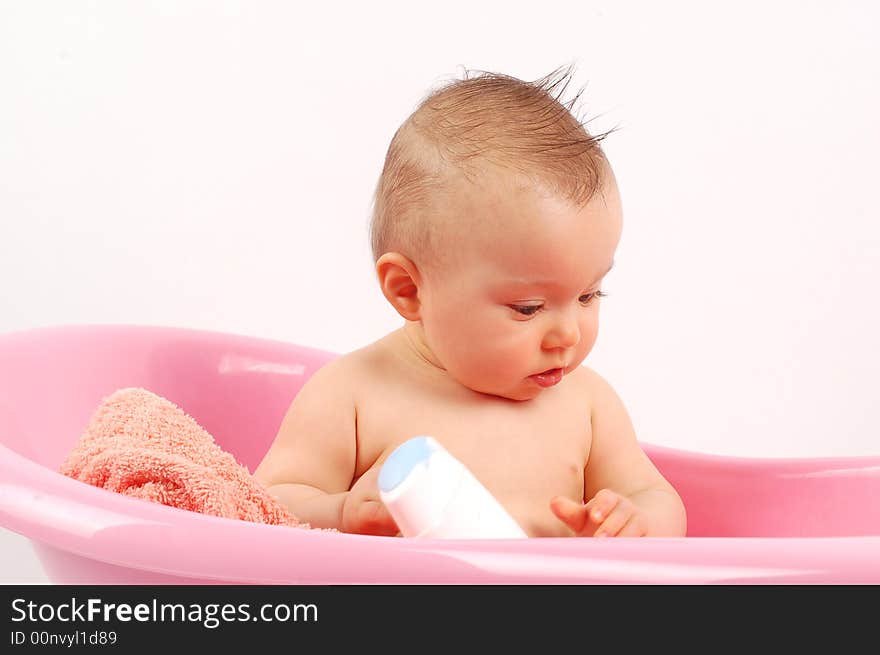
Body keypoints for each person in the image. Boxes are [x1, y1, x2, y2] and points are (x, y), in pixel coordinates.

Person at [254, 67, 687, 538]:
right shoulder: (351, 396)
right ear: (409, 290)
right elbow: (266, 503)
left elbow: (660, 501)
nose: (569, 334)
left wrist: (634, 521)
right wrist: (342, 513)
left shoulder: (587, 405)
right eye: (528, 308)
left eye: (588, 295)